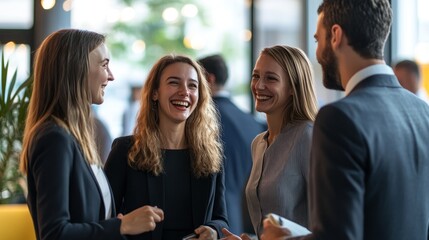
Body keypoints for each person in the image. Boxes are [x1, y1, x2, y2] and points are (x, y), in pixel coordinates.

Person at [261, 0, 429, 239]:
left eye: (318, 39)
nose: (317, 53)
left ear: (336, 35)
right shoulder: (422, 112)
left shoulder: (339, 118)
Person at [19, 29, 164, 240]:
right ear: (76, 68)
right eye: (104, 65)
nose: (111, 76)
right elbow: (54, 233)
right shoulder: (54, 138)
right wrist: (121, 226)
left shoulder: (75, 137)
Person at [104, 54, 229, 240]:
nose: (184, 91)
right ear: (155, 92)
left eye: (192, 85)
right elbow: (104, 219)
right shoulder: (126, 150)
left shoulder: (210, 155)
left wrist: (214, 230)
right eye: (174, 83)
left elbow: (221, 219)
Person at [222, 45, 318, 240]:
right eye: (256, 76)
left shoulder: (310, 137)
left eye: (271, 78)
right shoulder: (258, 143)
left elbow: (333, 225)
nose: (259, 85)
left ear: (293, 87)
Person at [198, 54, 265, 235]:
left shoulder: (199, 119)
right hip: (246, 223)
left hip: (206, 222)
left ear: (209, 79)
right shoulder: (253, 122)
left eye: (195, 80)